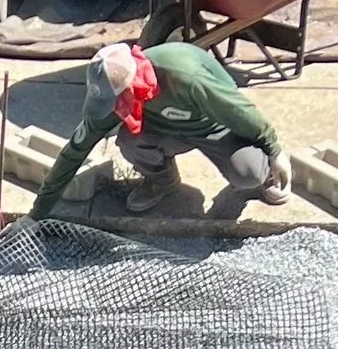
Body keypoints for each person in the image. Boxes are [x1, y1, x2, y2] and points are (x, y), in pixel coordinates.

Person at [32, 40, 293, 218]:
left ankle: (266, 173)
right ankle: (163, 182)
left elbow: (238, 111)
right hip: (164, 129)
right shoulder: (114, 97)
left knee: (247, 176)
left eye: (119, 100)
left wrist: (274, 149)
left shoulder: (185, 76)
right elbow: (75, 151)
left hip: (215, 126)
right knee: (130, 142)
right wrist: (37, 214)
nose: (115, 109)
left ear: (133, 85)